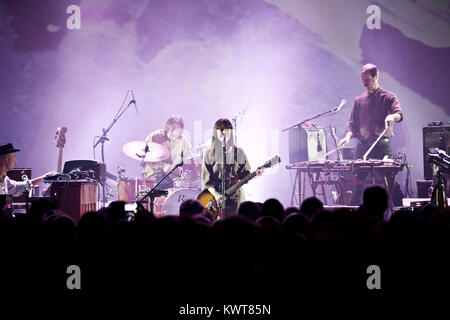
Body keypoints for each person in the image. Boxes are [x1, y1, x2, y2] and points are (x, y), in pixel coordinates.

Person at [338, 63, 404, 205]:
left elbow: (399, 114)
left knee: (391, 179)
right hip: (363, 146)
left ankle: (399, 210)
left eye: (367, 80)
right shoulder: (359, 100)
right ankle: (354, 211)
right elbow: (352, 124)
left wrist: (391, 117)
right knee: (358, 183)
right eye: (363, 81)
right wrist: (348, 137)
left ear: (376, 76)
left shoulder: (389, 97)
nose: (365, 84)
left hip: (381, 144)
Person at [201, 118, 253, 219]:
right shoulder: (208, 154)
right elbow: (206, 182)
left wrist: (254, 175)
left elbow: (245, 175)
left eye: (228, 130)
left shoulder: (239, 152)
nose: (225, 132)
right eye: (221, 130)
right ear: (216, 132)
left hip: (235, 198)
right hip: (216, 199)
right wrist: (216, 195)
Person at [144, 115, 193, 188]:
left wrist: (182, 168)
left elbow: (189, 157)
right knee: (165, 184)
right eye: (173, 129)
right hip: (156, 176)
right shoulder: (154, 137)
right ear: (167, 127)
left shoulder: (183, 140)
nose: (175, 132)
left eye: (178, 130)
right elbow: (148, 158)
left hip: (174, 177)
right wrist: (164, 167)